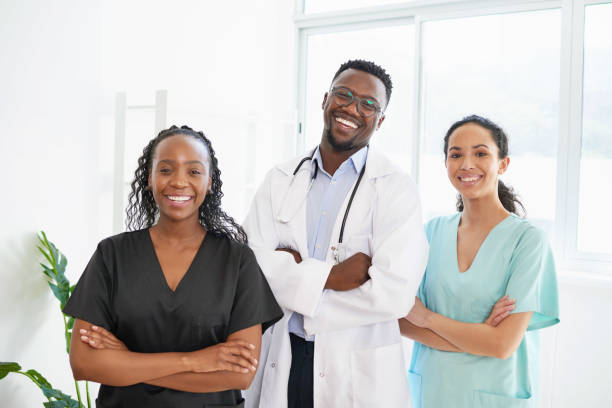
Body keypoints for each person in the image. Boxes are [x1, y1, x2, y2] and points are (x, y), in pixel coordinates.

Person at [242, 59, 429, 408]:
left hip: (354, 368)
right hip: (282, 355)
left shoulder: (395, 188)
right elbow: (251, 268)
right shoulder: (279, 179)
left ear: (381, 120)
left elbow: (393, 294)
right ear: (326, 99)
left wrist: (296, 276)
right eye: (343, 95)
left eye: (368, 104)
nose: (352, 108)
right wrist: (333, 276)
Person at [63, 126, 283, 408]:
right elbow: (84, 364)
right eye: (166, 170)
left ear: (210, 182)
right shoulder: (113, 254)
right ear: (149, 179)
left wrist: (127, 361)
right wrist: (196, 361)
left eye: (194, 172)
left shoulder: (237, 261)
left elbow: (238, 375)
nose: (179, 182)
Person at [401, 115, 560, 408]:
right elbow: (401, 321)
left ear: (503, 164)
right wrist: (479, 336)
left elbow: (501, 345)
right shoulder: (430, 232)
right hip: (434, 388)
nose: (466, 164)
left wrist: (428, 319)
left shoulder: (528, 241)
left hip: (494, 392)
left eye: (480, 153)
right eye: (455, 154)